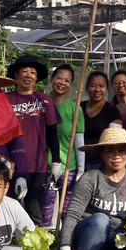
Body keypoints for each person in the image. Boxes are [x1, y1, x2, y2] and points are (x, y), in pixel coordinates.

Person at [58, 125, 126, 250]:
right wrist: (65, 245)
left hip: (117, 240)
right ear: (102, 154)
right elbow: (72, 214)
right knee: (101, 220)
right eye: (110, 151)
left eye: (122, 150)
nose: (116, 156)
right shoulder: (90, 178)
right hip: (86, 238)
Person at [6, 54, 62, 226]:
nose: (28, 75)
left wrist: (56, 161)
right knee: (10, 207)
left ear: (37, 77)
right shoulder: (6, 100)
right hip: (11, 164)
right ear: (16, 75)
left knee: (34, 207)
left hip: (38, 164)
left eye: (32, 72)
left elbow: (52, 133)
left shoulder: (45, 100)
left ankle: (35, 245)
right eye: (24, 71)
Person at [47, 64, 85, 225]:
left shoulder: (75, 108)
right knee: (46, 207)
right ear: (52, 79)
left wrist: (81, 169)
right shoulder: (42, 103)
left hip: (69, 167)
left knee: (67, 208)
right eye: (59, 78)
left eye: (67, 80)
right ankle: (46, 243)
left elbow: (79, 140)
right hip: (46, 166)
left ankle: (65, 242)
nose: (62, 82)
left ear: (71, 84)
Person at [79, 70, 123, 170]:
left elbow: (115, 139)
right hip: (78, 160)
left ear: (107, 89)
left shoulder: (112, 111)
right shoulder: (79, 107)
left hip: (101, 163)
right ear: (87, 88)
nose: (97, 89)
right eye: (93, 85)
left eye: (101, 86)